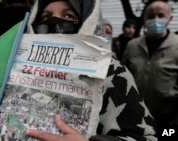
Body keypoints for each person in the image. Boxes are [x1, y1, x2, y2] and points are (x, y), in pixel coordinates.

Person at [24, 0, 157, 140]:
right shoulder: (22, 68)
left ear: (88, 21)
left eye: (68, 16)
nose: (53, 21)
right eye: (45, 17)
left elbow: (147, 137)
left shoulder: (111, 71)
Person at [122, 1, 178, 140]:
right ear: (144, 19)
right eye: (151, 16)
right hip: (134, 114)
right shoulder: (133, 45)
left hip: (167, 118)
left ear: (169, 19)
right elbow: (122, 75)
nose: (156, 19)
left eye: (161, 15)